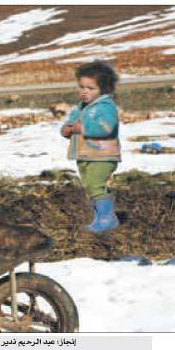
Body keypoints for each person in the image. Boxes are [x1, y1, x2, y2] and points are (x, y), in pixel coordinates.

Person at [58, 60, 122, 235]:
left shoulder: (105, 107)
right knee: (89, 186)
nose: (84, 92)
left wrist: (83, 129)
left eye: (90, 88)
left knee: (96, 184)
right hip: (86, 155)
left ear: (104, 88)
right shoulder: (80, 107)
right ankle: (100, 217)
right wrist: (67, 129)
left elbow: (107, 128)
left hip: (102, 155)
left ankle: (107, 219)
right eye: (81, 87)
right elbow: (72, 122)